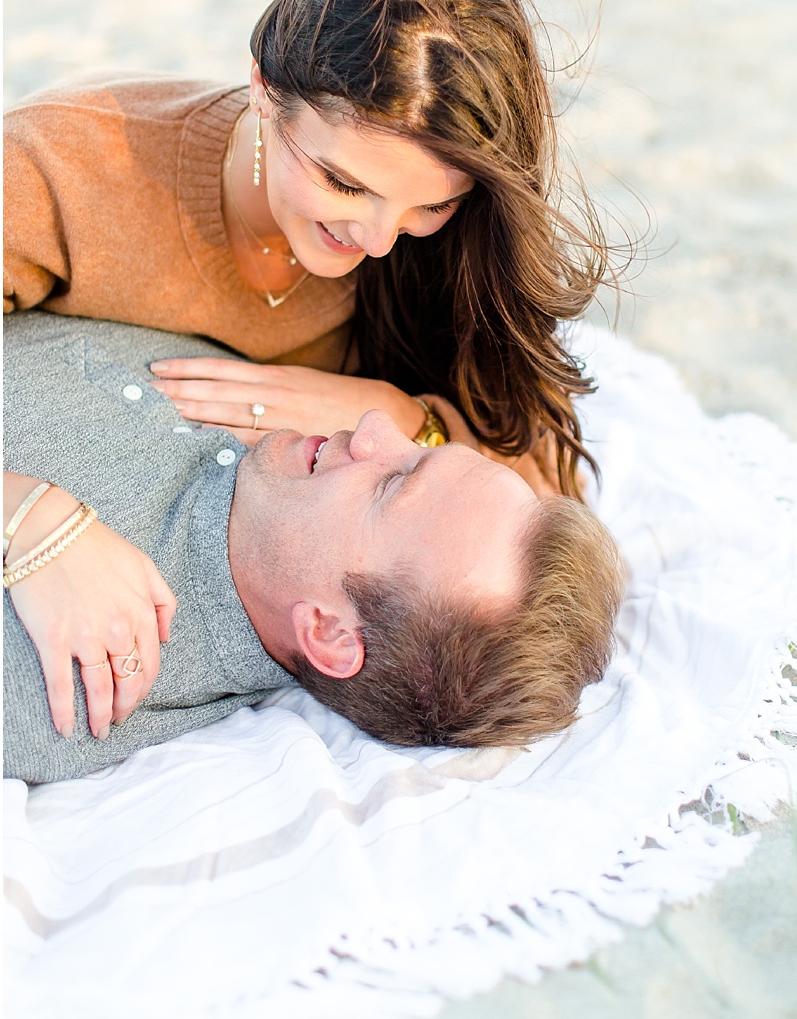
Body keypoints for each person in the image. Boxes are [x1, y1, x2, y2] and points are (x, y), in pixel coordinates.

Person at [4, 0, 613, 731]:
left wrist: (403, 418)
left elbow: (532, 504)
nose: (376, 239)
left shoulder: (447, 250)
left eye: (430, 202)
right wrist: (30, 519)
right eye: (342, 181)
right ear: (263, 88)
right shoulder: (67, 169)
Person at [3, 311, 625, 784]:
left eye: (391, 483)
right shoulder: (284, 467)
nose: (376, 427)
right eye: (424, 449)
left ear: (327, 632)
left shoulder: (74, 667)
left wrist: (22, 514)